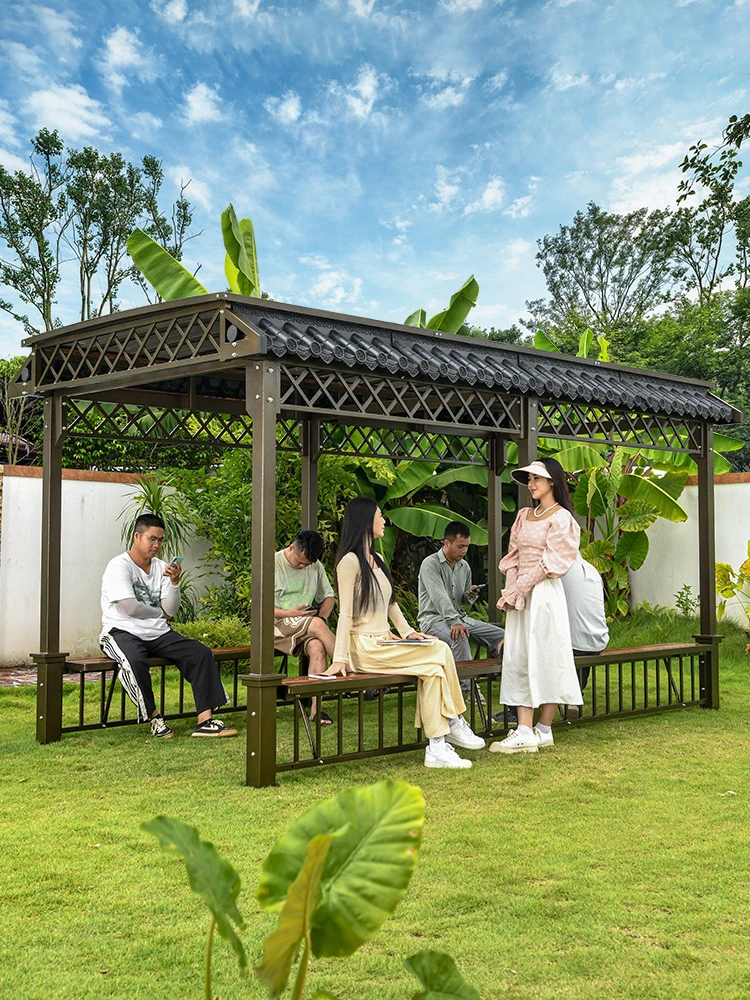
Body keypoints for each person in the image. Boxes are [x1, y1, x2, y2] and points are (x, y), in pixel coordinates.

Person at [323, 496, 486, 769]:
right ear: (365, 521)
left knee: (435, 663)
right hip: (366, 647)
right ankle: (453, 721)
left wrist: (409, 632)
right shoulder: (349, 563)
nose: (384, 521)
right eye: (379, 516)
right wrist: (340, 659)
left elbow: (391, 604)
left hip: (386, 641)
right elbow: (346, 615)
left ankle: (437, 744)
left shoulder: (376, 558)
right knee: (438, 653)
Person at [100, 514, 238, 739]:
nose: (157, 545)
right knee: (135, 661)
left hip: (157, 632)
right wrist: (158, 613)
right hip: (121, 631)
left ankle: (205, 721)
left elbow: (171, 610)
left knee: (200, 653)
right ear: (137, 536)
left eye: (160, 540)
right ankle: (155, 718)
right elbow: (130, 609)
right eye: (152, 538)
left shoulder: (162, 567)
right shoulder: (119, 566)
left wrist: (174, 583)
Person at [490, 458, 582, 754]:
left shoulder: (562, 518)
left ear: (552, 481)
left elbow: (552, 562)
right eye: (529, 479)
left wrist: (522, 587)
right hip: (521, 595)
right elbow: (513, 555)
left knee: (548, 655)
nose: (531, 484)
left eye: (536, 479)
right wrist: (513, 589)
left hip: (544, 596)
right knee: (519, 654)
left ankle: (542, 728)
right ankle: (525, 729)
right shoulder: (523, 515)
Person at [418, 521, 504, 695]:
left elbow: (461, 600)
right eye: (460, 546)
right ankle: (467, 690)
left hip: (460, 618)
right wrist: (454, 621)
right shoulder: (430, 564)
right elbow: (439, 597)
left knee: (503, 636)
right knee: (459, 636)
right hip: (433, 620)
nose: (464, 550)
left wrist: (469, 595)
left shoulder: (464, 566)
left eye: (466, 546)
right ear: (447, 543)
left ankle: (510, 682)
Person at [274, 530, 336, 725]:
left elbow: (328, 597)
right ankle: (350, 668)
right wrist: (289, 614)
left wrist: (322, 618)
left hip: (305, 623)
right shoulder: (272, 563)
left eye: (306, 565)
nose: (302, 567)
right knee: (316, 624)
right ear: (291, 547)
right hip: (276, 622)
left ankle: (316, 710)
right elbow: (260, 606)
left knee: (317, 646)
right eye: (299, 562)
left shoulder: (315, 566)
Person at [561, 553, 610, 718]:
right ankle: (574, 695)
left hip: (574, 644)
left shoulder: (559, 568)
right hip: (598, 640)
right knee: (580, 640)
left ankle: (517, 711)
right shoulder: (592, 570)